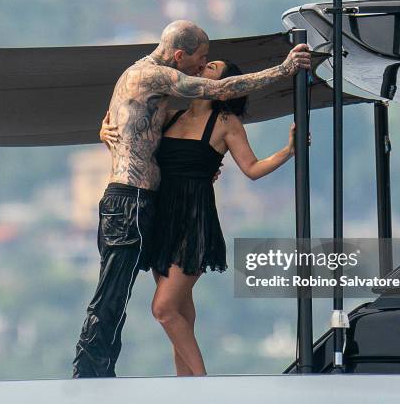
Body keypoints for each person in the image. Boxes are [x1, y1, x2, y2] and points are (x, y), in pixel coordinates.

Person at [72, 19, 311, 378]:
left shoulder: (224, 121)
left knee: (165, 309)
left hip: (185, 215)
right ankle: (180, 385)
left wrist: (288, 151)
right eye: (203, 62)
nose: (203, 68)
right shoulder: (168, 100)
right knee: (171, 310)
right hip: (151, 208)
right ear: (181, 55)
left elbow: (251, 166)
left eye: (210, 65)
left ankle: (199, 382)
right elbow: (133, 125)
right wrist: (105, 131)